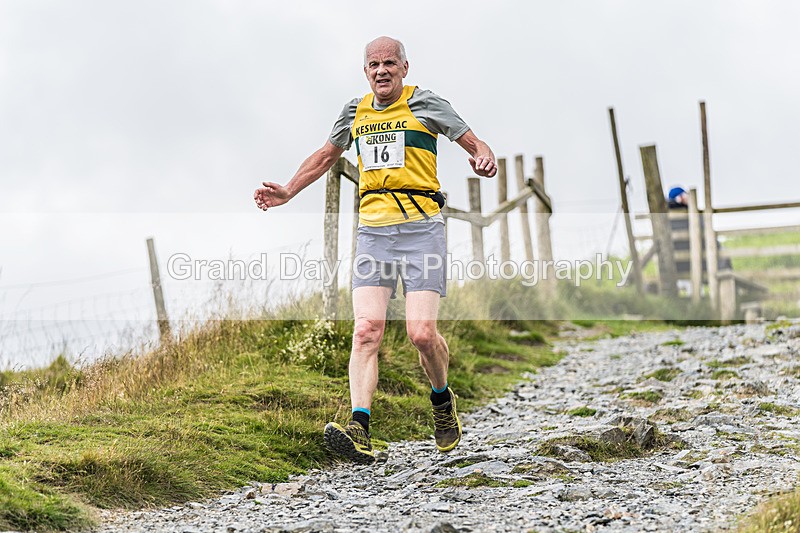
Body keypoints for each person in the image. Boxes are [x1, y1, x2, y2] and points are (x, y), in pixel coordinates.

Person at [254, 36, 497, 463]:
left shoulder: (427, 104)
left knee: (421, 334)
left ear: (405, 67)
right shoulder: (355, 111)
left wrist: (482, 155)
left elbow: (473, 141)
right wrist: (289, 190)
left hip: (422, 229)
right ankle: (359, 427)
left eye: (389, 63)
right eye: (373, 65)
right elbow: (326, 155)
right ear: (365, 72)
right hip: (374, 233)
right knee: (367, 329)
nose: (381, 71)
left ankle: (442, 401)